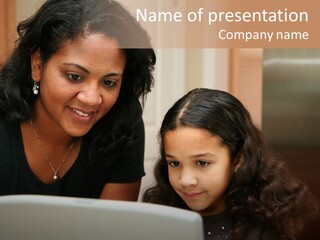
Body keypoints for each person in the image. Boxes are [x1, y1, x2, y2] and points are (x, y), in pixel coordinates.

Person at [0, 0, 156, 200]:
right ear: (38, 64)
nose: (91, 99)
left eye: (109, 82)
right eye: (74, 76)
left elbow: (112, 229)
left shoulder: (123, 124)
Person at [143, 88, 318, 240]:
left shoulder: (265, 231)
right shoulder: (158, 218)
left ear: (237, 160)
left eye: (202, 163)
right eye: (174, 163)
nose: (186, 180)